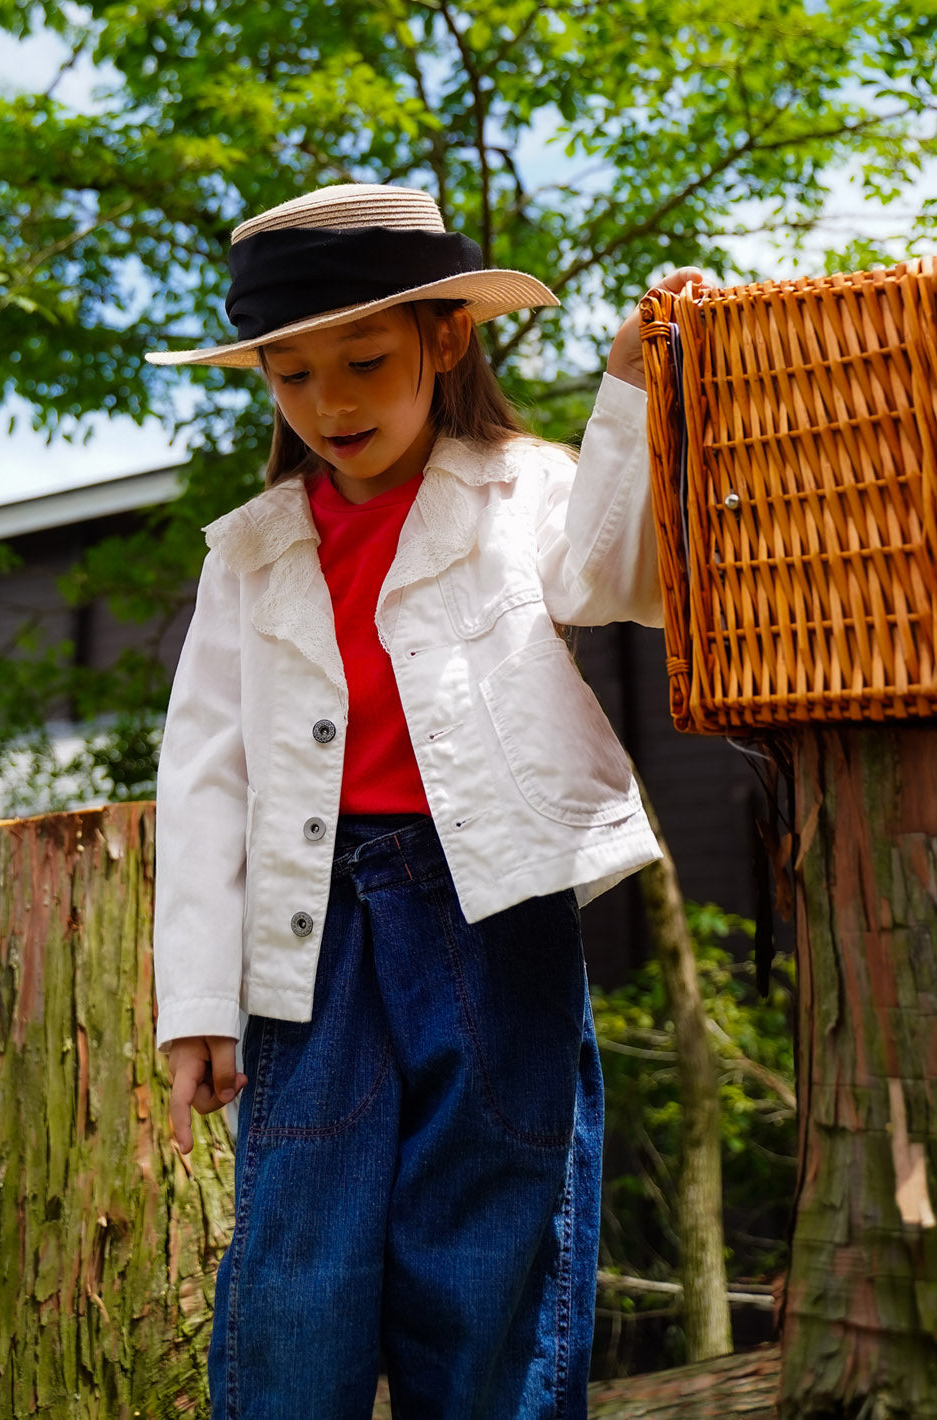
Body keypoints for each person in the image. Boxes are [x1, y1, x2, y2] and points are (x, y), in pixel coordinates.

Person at [147, 182, 700, 1419]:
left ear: (445, 338)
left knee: (489, 1226)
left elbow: (622, 575)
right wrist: (194, 1000)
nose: (330, 401)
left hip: (489, 899)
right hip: (309, 924)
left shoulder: (525, 486)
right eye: (290, 374)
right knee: (299, 1249)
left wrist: (631, 389)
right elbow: (203, 776)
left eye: (363, 359)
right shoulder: (249, 550)